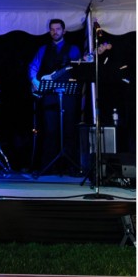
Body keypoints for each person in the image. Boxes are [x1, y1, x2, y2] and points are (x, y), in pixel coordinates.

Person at [28, 18, 82, 174]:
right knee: (50, 131)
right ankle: (49, 167)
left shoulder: (73, 49)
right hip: (49, 95)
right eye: (52, 29)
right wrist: (34, 80)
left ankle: (70, 166)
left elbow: (78, 68)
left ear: (64, 31)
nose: (55, 32)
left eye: (58, 29)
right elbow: (32, 66)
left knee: (69, 129)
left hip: (68, 94)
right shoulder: (43, 49)